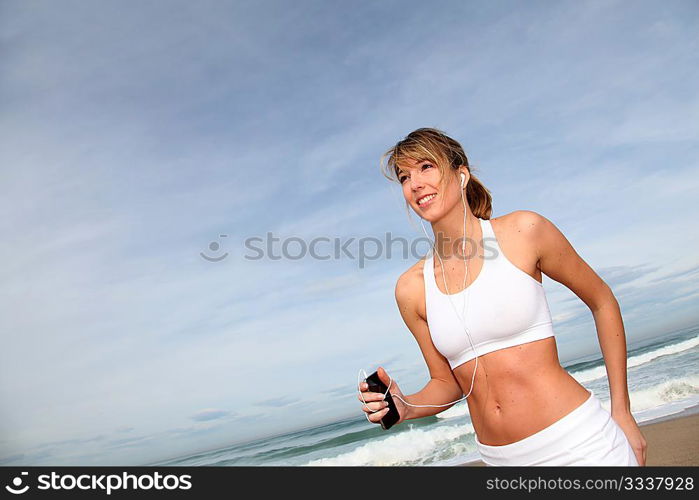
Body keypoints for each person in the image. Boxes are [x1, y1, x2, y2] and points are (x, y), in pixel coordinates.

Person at [357, 128, 647, 466]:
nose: (415, 184)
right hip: (501, 461)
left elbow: (602, 301)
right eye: (405, 177)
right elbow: (447, 383)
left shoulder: (524, 231)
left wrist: (622, 411)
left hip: (579, 445)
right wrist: (408, 407)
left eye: (426, 167)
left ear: (461, 174)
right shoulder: (411, 288)